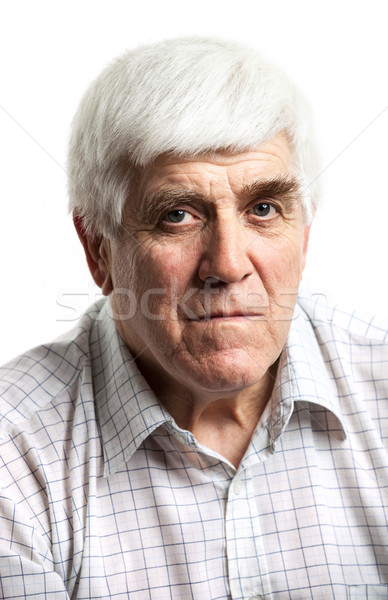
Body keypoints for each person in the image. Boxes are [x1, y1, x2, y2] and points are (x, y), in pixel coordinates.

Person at [0, 36, 387, 600]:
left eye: (263, 209)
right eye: (177, 215)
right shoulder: (15, 459)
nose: (228, 266)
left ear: (303, 238)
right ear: (99, 251)